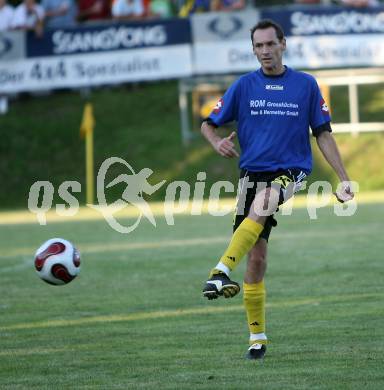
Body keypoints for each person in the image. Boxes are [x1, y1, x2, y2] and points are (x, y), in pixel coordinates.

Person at [201, 19, 354, 360]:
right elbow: (208, 123)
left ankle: (220, 271)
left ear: (283, 44)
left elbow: (323, 134)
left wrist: (344, 177)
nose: (265, 51)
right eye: (259, 46)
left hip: (291, 170)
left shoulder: (306, 85)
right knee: (256, 257)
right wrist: (216, 143)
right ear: (253, 49)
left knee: (268, 198)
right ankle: (257, 337)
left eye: (271, 44)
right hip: (250, 173)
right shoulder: (243, 86)